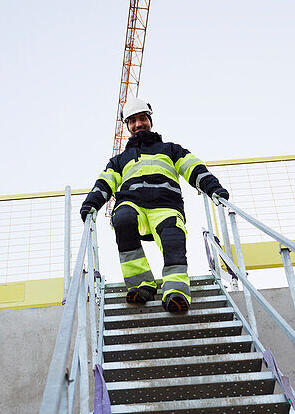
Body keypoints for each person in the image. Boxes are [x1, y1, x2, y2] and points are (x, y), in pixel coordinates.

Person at [79, 97, 229, 312]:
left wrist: (214, 189)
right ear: (128, 127)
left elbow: (194, 169)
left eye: (142, 118)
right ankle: (141, 285)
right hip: (133, 204)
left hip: (166, 206)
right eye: (132, 121)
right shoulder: (119, 160)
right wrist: (90, 204)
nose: (138, 124)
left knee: (172, 239)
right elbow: (104, 182)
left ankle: (175, 290)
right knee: (122, 218)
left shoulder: (171, 150)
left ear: (150, 120)